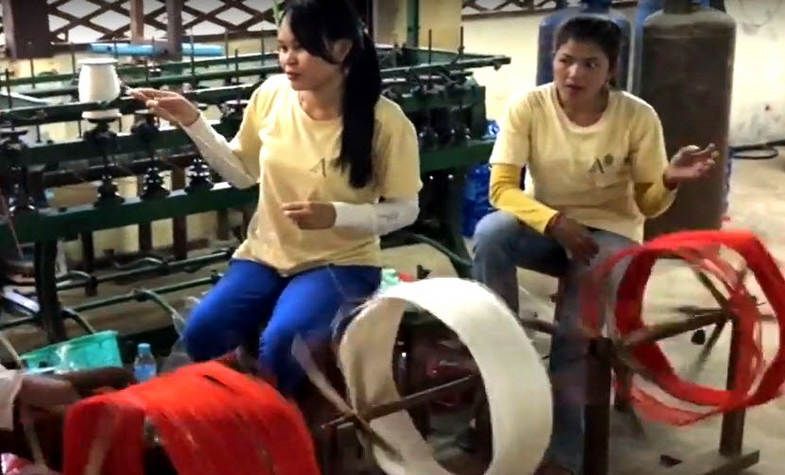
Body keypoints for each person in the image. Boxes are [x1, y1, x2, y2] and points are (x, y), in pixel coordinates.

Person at [131, 0, 421, 396]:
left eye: (299, 48)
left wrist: (336, 216)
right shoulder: (271, 95)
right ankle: (241, 406)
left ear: (340, 49)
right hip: (265, 255)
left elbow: (406, 209)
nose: (288, 59)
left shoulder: (387, 123)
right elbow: (241, 173)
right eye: (282, 48)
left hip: (341, 262)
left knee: (285, 342)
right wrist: (192, 122)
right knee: (203, 333)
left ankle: (278, 419)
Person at [471, 16, 717, 475]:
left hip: (610, 232)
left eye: (590, 64)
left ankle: (564, 451)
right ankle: (501, 348)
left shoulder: (637, 116)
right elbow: (502, 189)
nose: (574, 74)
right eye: (565, 60)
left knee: (574, 332)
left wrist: (666, 179)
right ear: (552, 59)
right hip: (549, 227)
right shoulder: (529, 107)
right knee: (490, 235)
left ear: (612, 71)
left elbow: (648, 202)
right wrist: (553, 221)